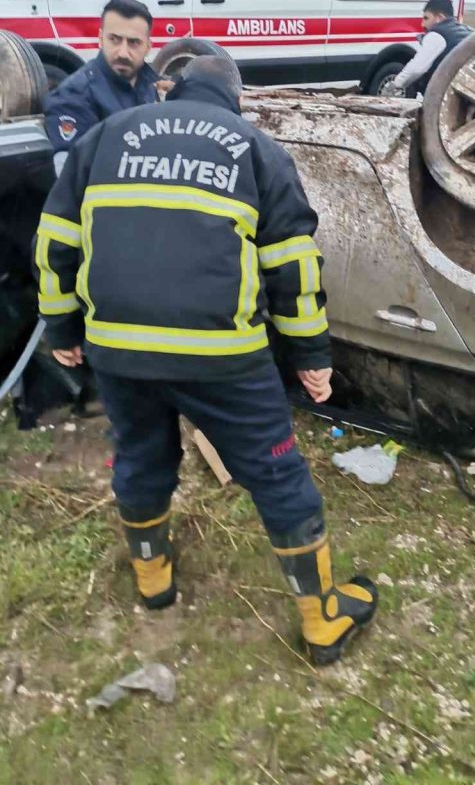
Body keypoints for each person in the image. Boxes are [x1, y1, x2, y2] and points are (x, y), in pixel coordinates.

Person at [34, 55, 379, 665]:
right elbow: (293, 265)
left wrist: (61, 325)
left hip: (120, 351)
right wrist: (311, 355)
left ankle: (153, 581)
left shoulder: (104, 138)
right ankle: (322, 618)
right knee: (276, 474)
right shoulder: (256, 150)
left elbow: (55, 239)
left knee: (141, 455)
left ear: (173, 90)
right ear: (235, 100)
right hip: (225, 360)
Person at [43, 0, 170, 172]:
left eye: (134, 42)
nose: (123, 53)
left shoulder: (156, 86)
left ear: (148, 47)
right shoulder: (74, 96)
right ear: (100, 38)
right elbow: (70, 177)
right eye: (115, 40)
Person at [391, 0, 471, 97]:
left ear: (439, 18)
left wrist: (397, 84)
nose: (422, 24)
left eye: (426, 18)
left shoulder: (438, 34)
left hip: (447, 95)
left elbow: (417, 68)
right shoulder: (467, 31)